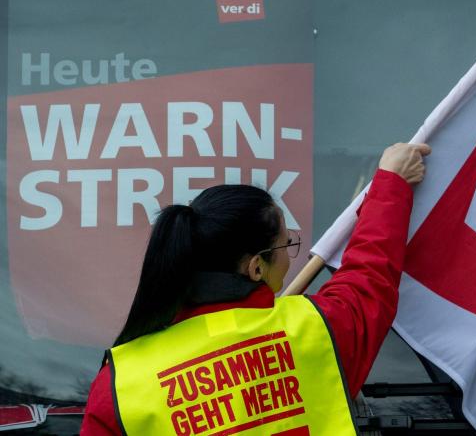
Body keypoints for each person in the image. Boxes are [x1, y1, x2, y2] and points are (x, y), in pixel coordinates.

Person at [80, 142, 431, 436]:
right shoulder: (316, 332)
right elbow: (370, 275)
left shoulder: (121, 384)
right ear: (256, 266)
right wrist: (391, 183)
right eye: (286, 244)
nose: (291, 253)